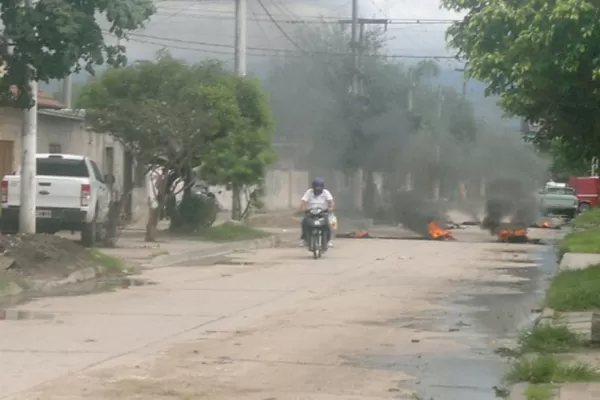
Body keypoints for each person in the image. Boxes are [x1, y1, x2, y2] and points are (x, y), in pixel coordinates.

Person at [300, 177, 335, 248]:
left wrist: (330, 208)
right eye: (316, 187)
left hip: (323, 212)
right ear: (313, 187)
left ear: (322, 187)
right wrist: (303, 208)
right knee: (304, 222)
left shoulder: (326, 192)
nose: (317, 189)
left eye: (319, 187)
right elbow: (303, 201)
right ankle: (305, 239)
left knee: (328, 223)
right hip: (310, 211)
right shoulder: (309, 192)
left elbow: (331, 201)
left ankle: (328, 240)